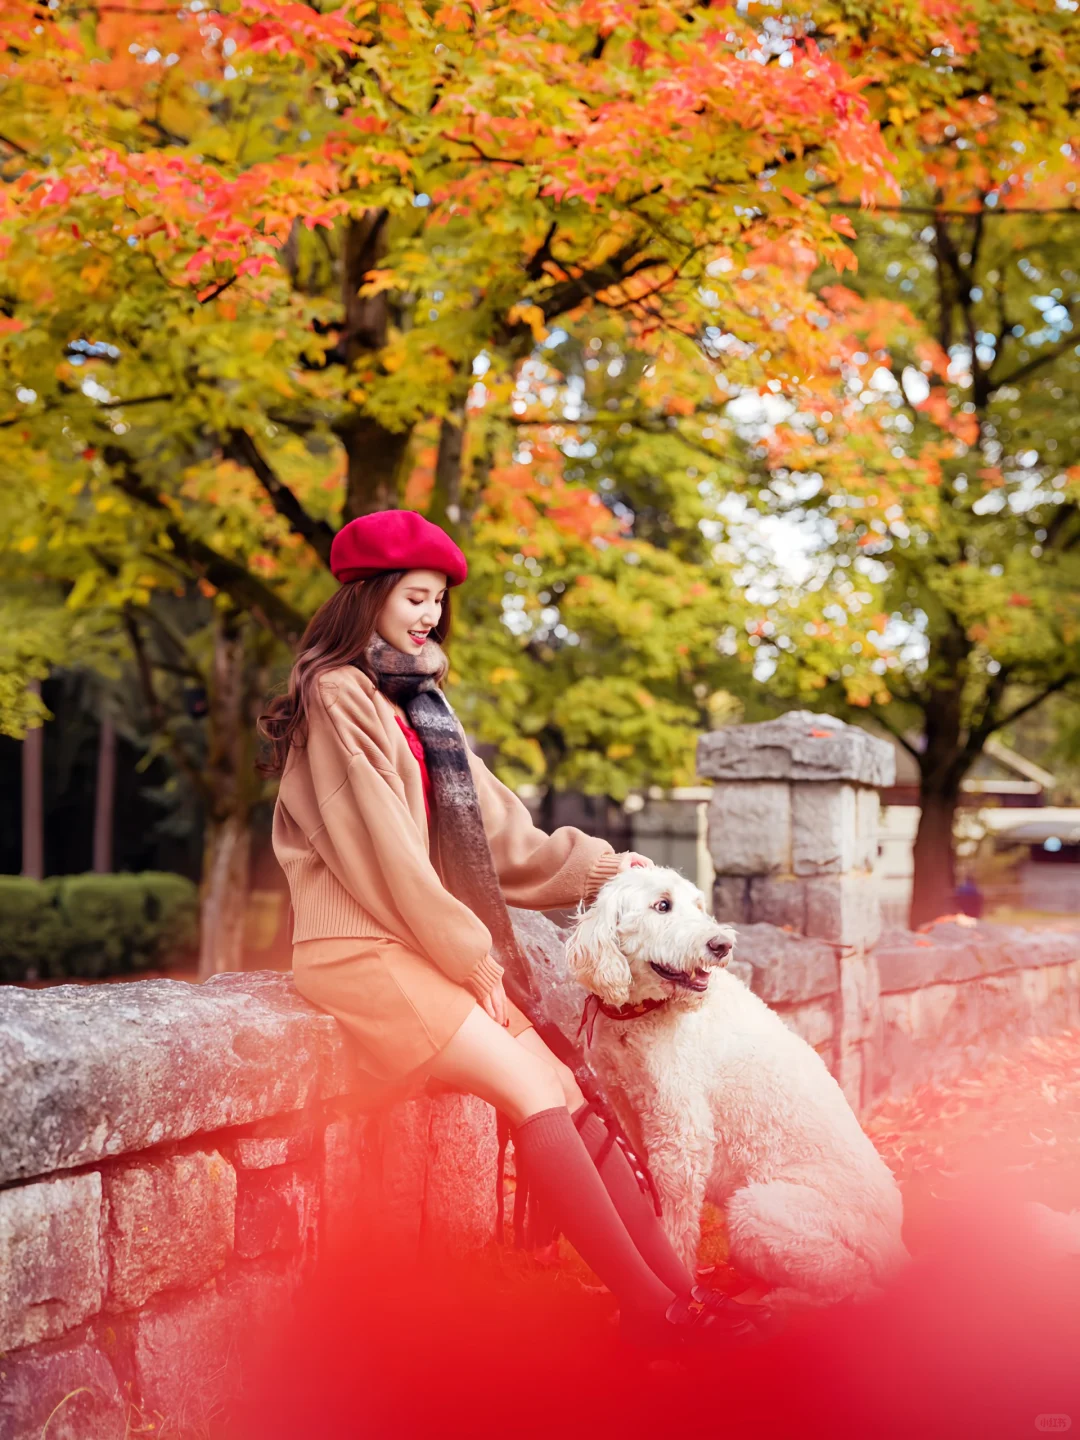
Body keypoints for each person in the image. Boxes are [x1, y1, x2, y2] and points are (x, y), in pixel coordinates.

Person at [259, 510, 756, 1348]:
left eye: (438, 603)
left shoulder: (421, 706)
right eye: (415, 597)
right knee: (532, 1090)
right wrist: (467, 949)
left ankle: (684, 1294)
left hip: (418, 941)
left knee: (569, 1093)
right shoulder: (338, 694)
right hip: (361, 950)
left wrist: (607, 870)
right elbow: (379, 849)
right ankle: (655, 1316)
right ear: (370, 595)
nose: (428, 617)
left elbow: (503, 835)